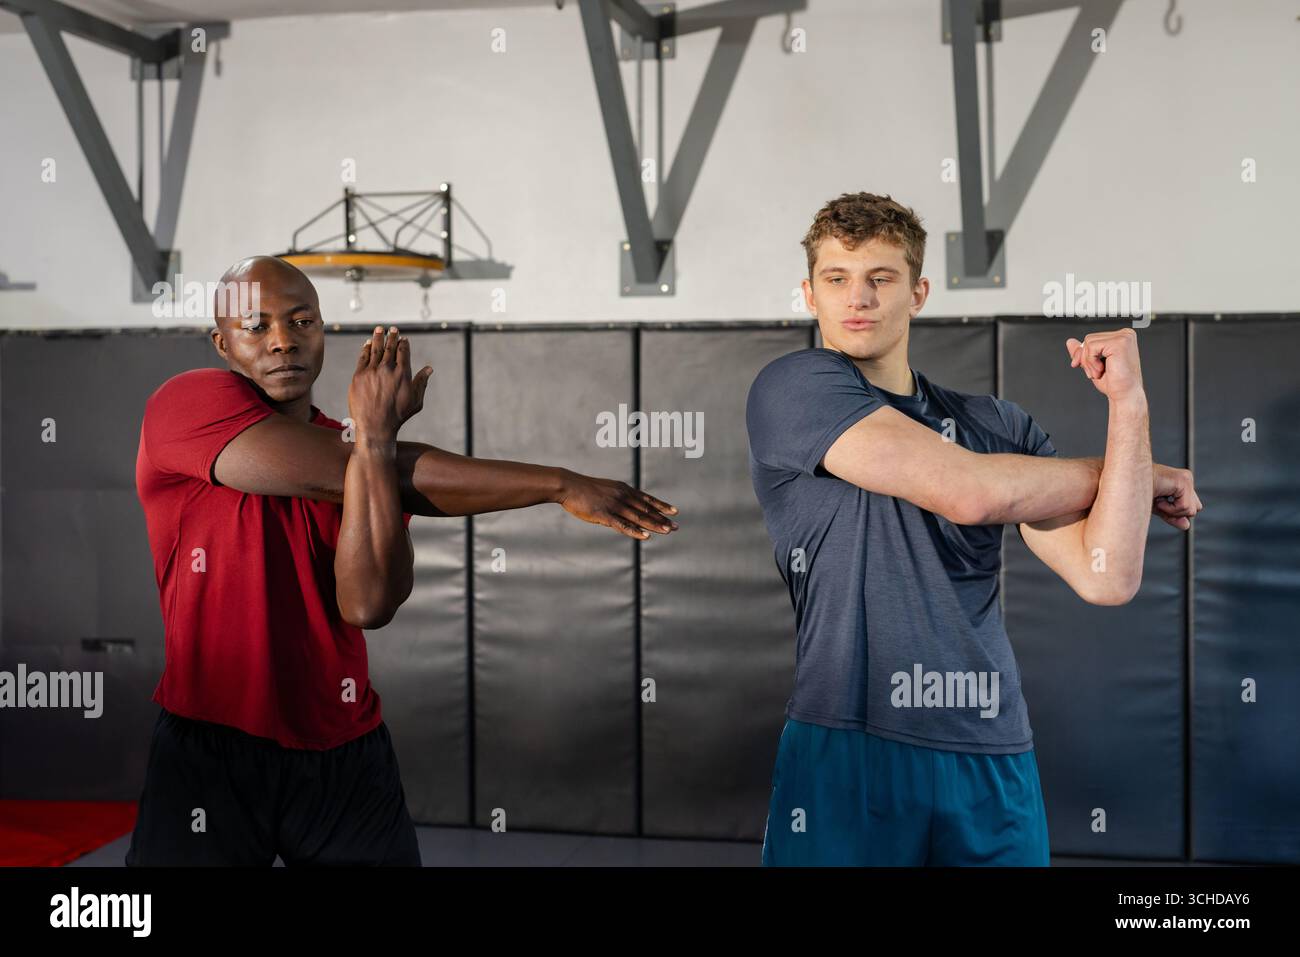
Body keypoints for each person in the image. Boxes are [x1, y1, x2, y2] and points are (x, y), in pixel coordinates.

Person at [127, 255, 678, 866]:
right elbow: (341, 469)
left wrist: (374, 439)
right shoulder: (187, 405)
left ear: (322, 331)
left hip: (344, 749)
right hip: (210, 749)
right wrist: (559, 483)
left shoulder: (361, 449)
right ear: (223, 343)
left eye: (301, 320)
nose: (282, 340)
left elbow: (367, 604)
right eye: (255, 327)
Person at [745, 192, 1202, 866]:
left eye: (881, 277)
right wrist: (1130, 472)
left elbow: (1107, 574)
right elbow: (967, 491)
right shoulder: (791, 388)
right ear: (809, 294)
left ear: (919, 292)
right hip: (847, 744)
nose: (858, 298)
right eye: (837, 279)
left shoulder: (995, 426)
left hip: (990, 752)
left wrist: (1128, 408)